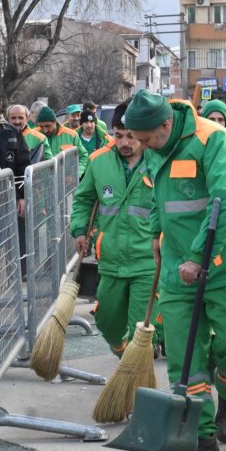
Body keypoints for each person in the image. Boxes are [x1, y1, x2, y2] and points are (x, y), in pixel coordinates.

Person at [123, 90, 226, 451]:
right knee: (186, 356)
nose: (140, 146)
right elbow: (158, 199)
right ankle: (200, 436)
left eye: (146, 138)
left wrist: (197, 255)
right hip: (177, 269)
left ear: (166, 125)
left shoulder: (216, 141)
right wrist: (156, 234)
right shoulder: (154, 148)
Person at [71, 102, 162, 358]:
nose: (124, 142)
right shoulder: (98, 161)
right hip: (110, 260)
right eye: (118, 135)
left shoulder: (158, 162)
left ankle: (137, 376)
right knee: (108, 323)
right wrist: (80, 231)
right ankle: (124, 352)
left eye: (131, 136)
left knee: (140, 330)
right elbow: (84, 199)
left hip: (147, 262)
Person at [34, 105, 89, 176]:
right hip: (42, 182)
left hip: (66, 181)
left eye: (48, 126)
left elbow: (83, 156)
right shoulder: (34, 135)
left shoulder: (72, 135)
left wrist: (76, 174)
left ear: (55, 122)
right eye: (41, 126)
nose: (45, 130)